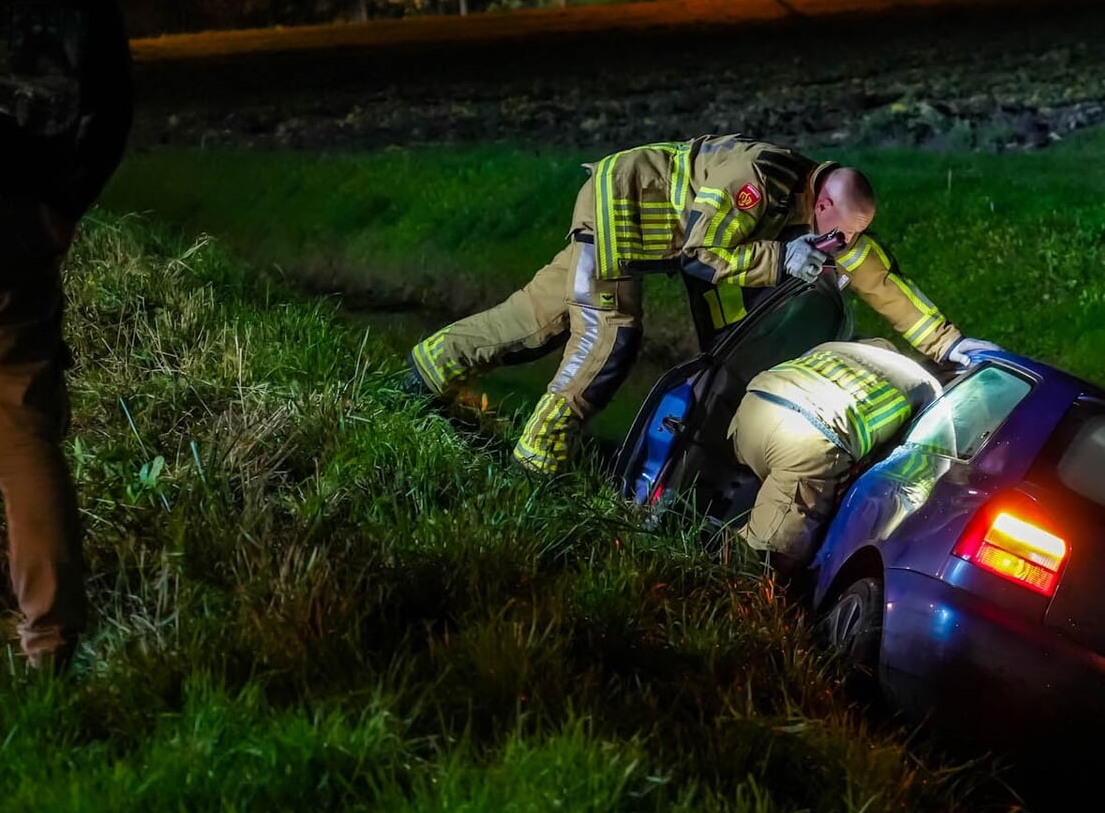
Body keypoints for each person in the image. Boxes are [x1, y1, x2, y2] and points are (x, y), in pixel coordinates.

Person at [405, 134, 994, 475]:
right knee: (608, 336)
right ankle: (535, 462)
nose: (841, 249)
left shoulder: (823, 214)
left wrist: (949, 343)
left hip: (647, 224)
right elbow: (700, 252)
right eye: (838, 236)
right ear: (822, 208)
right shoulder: (756, 180)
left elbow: (876, 274)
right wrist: (779, 261)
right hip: (625, 205)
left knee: (536, 318)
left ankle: (423, 371)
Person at [0, 0, 134, 672]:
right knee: (23, 441)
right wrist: (65, 202)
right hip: (12, 214)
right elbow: (110, 91)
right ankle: (49, 648)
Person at [728, 337, 952, 576]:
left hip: (753, 409)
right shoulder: (930, 391)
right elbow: (924, 475)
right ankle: (715, 583)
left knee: (776, 489)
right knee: (768, 556)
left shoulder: (842, 347)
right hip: (806, 440)